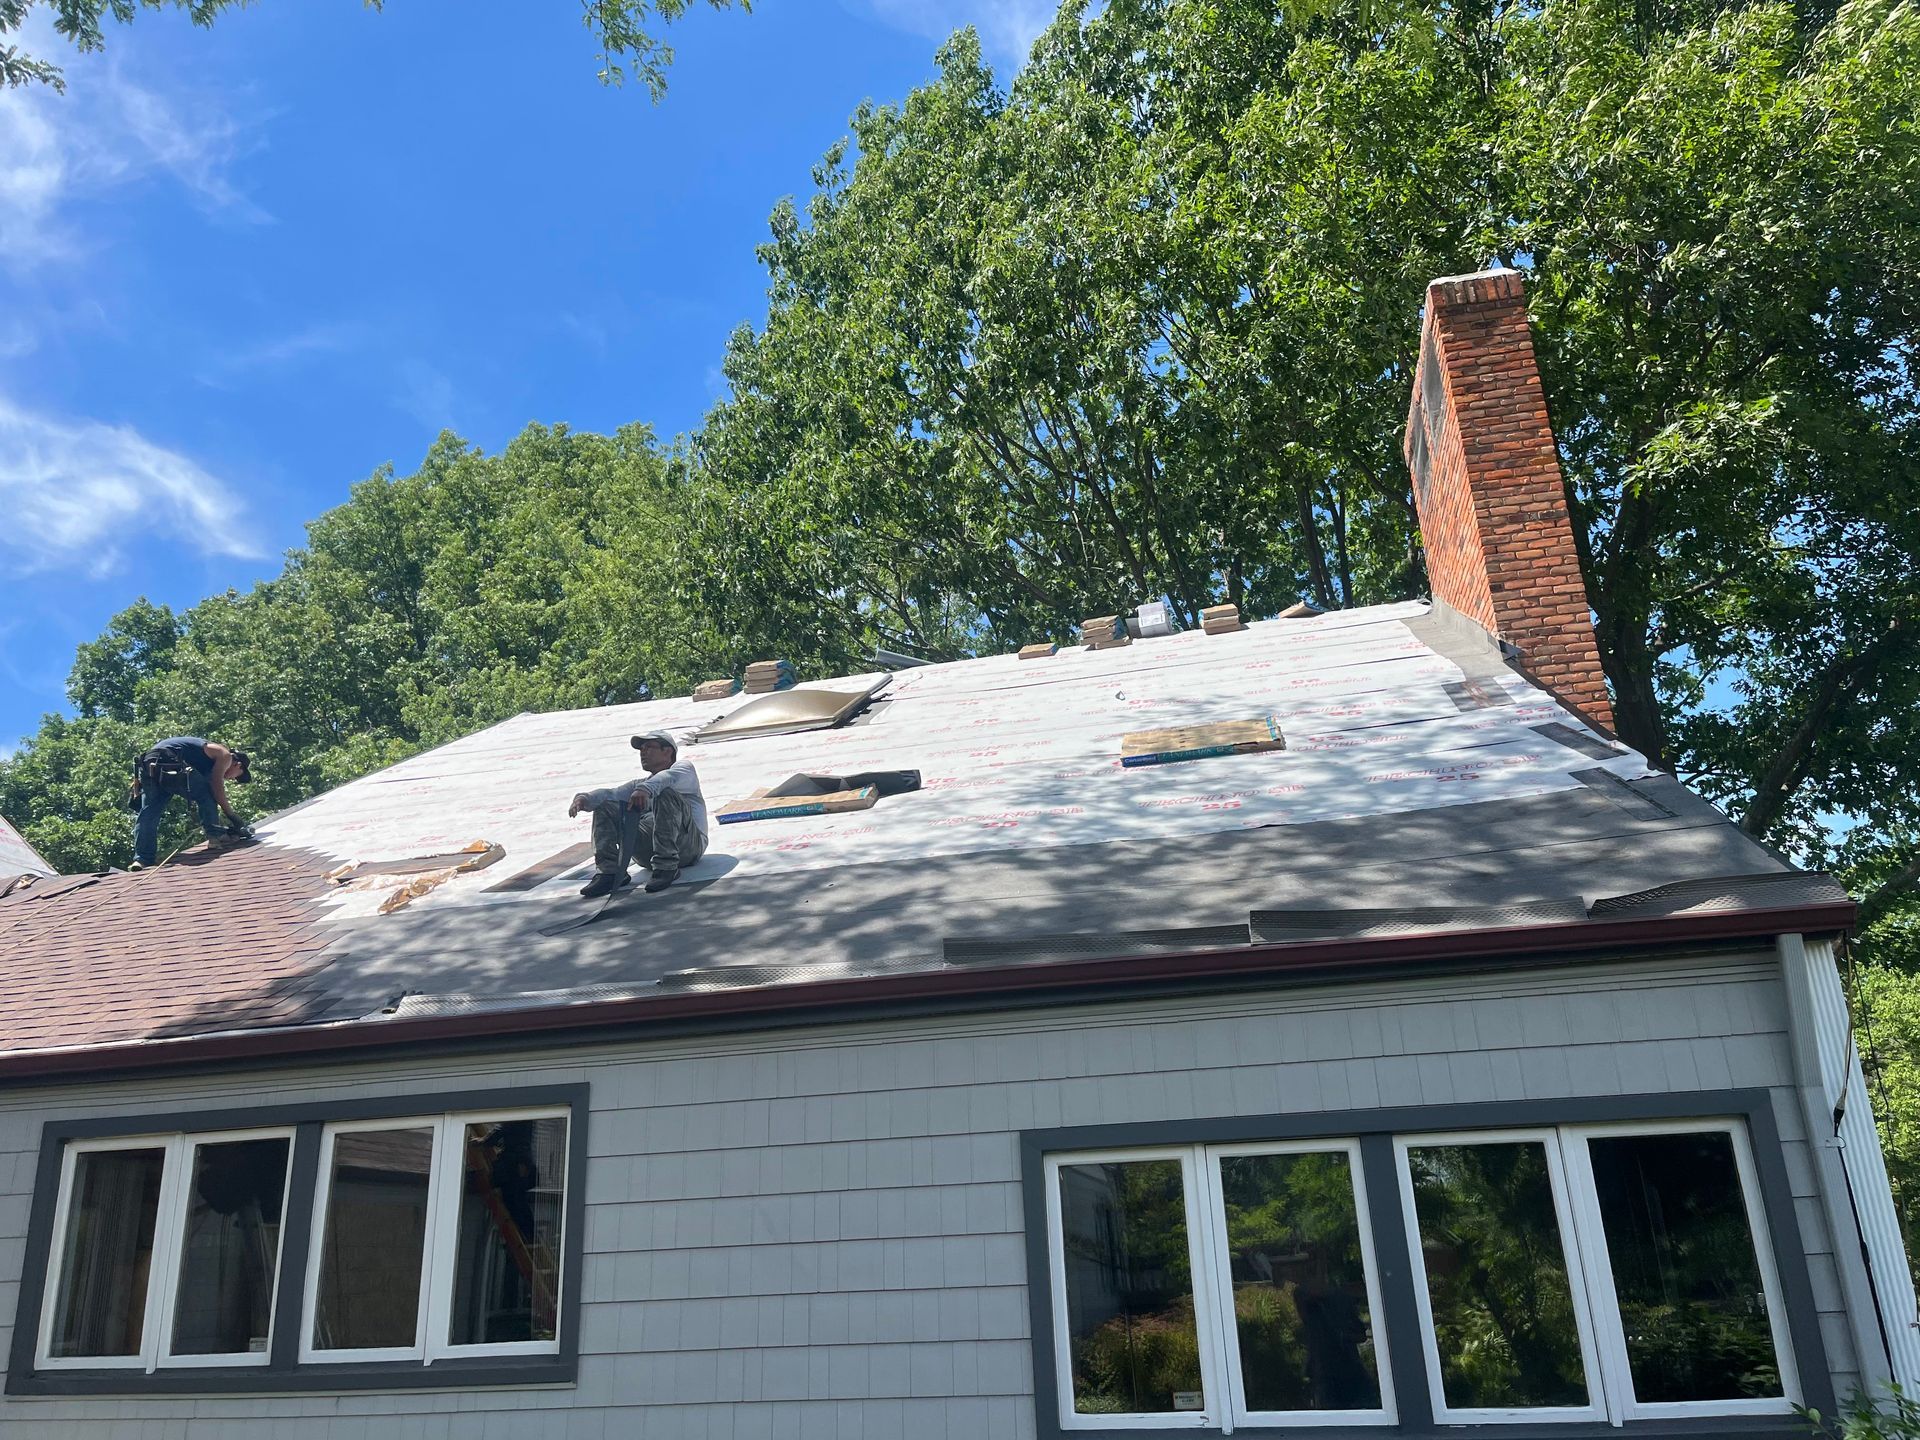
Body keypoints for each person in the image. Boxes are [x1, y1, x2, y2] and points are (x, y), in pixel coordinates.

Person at [568, 730, 707, 897]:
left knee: (665, 793)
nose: (643, 752)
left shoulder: (684, 770)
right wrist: (585, 798)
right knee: (606, 805)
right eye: (641, 749)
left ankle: (667, 868)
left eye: (649, 747)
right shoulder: (641, 785)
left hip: (687, 848)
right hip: (647, 855)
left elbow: (667, 777)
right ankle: (609, 872)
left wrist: (645, 789)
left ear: (668, 751)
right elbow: (610, 794)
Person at [130, 737, 253, 871]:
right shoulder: (225, 756)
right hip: (169, 760)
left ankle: (142, 859)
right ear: (238, 765)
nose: (231, 778)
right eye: (236, 776)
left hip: (149, 764)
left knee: (149, 812)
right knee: (208, 793)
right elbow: (216, 787)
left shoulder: (205, 761)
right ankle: (215, 837)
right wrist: (232, 816)